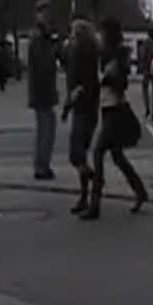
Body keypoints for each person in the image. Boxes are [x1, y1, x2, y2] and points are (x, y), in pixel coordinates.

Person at [79, 17, 147, 220]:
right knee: (116, 156)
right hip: (108, 109)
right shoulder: (104, 55)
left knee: (98, 153)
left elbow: (121, 84)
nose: (98, 36)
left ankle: (95, 205)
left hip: (115, 111)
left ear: (107, 35)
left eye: (101, 32)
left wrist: (108, 80)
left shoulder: (117, 56)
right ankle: (140, 191)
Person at [62, 17, 100, 215]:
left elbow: (80, 84)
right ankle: (87, 190)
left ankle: (91, 184)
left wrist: (69, 104)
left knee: (76, 153)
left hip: (83, 108)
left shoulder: (82, 52)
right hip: (85, 108)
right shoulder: (84, 51)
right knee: (79, 153)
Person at [27, 0, 58, 180]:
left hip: (42, 90)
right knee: (46, 128)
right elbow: (44, 65)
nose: (48, 16)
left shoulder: (41, 36)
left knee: (45, 128)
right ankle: (42, 165)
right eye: (45, 13)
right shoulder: (40, 37)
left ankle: (42, 164)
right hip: (42, 91)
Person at [139, 27, 153, 119]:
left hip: (147, 69)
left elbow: (143, 55)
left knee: (145, 88)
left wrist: (142, 67)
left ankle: (148, 109)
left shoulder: (146, 43)